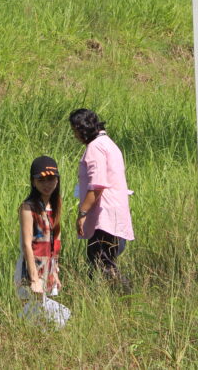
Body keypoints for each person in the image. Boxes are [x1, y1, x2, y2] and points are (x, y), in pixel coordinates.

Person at [70, 109, 134, 284]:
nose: (75, 136)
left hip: (104, 216)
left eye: (74, 131)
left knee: (100, 262)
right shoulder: (109, 144)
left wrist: (82, 213)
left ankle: (125, 291)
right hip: (114, 214)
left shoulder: (95, 147)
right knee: (101, 261)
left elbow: (97, 185)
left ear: (82, 128)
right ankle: (113, 293)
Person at [14, 156, 69, 328]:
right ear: (33, 182)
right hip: (31, 268)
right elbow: (27, 244)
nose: (47, 184)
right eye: (41, 180)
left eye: (51, 179)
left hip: (49, 268)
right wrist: (34, 278)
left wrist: (55, 271)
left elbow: (55, 240)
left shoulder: (55, 204)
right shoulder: (28, 207)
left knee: (47, 320)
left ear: (57, 180)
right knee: (31, 316)